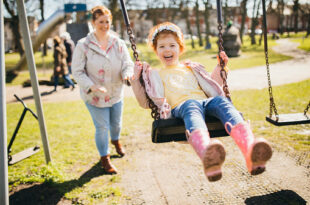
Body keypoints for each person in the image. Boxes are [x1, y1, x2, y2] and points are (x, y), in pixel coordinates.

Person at [131, 22, 272, 182]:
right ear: (156, 51)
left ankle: (250, 150)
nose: (167, 49)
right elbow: (144, 102)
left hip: (205, 103)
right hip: (181, 107)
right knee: (191, 105)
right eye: (162, 46)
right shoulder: (154, 75)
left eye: (172, 45)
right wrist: (136, 79)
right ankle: (207, 154)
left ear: (180, 48)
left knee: (221, 101)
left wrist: (220, 67)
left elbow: (212, 85)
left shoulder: (191, 68)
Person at [71, 5, 134, 174]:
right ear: (93, 22)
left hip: (115, 92)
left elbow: (128, 63)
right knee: (102, 127)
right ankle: (104, 158)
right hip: (94, 96)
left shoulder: (118, 43)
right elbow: (77, 71)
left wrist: (127, 74)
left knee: (116, 124)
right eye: (100, 22)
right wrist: (92, 85)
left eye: (107, 21)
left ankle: (116, 141)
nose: (104, 25)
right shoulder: (83, 45)